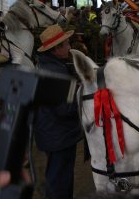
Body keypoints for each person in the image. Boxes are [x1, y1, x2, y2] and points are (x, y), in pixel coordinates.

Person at [34, 24, 82, 199]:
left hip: (51, 131)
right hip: (59, 135)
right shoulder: (56, 73)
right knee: (60, 179)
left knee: (57, 175)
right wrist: (81, 94)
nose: (69, 47)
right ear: (56, 49)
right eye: (66, 44)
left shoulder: (47, 66)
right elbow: (66, 109)